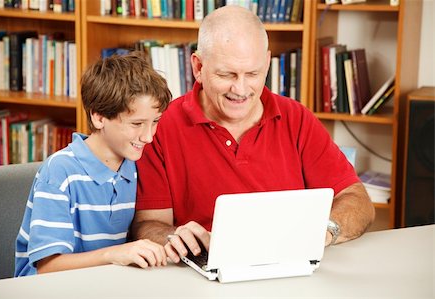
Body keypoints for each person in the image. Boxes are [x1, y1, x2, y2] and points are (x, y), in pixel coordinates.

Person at [132, 6, 375, 263]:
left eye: (253, 74)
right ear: (198, 67)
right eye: (227, 74)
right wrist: (174, 238)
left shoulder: (297, 118)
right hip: (202, 272)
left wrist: (323, 232)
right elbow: (148, 224)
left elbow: (357, 201)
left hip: (289, 267)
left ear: (267, 63)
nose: (241, 88)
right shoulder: (161, 127)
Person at [14, 52, 172, 276]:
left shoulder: (136, 166)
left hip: (105, 284)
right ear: (99, 118)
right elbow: (47, 268)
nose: (148, 136)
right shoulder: (60, 172)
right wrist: (114, 254)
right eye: (137, 123)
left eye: (155, 122)